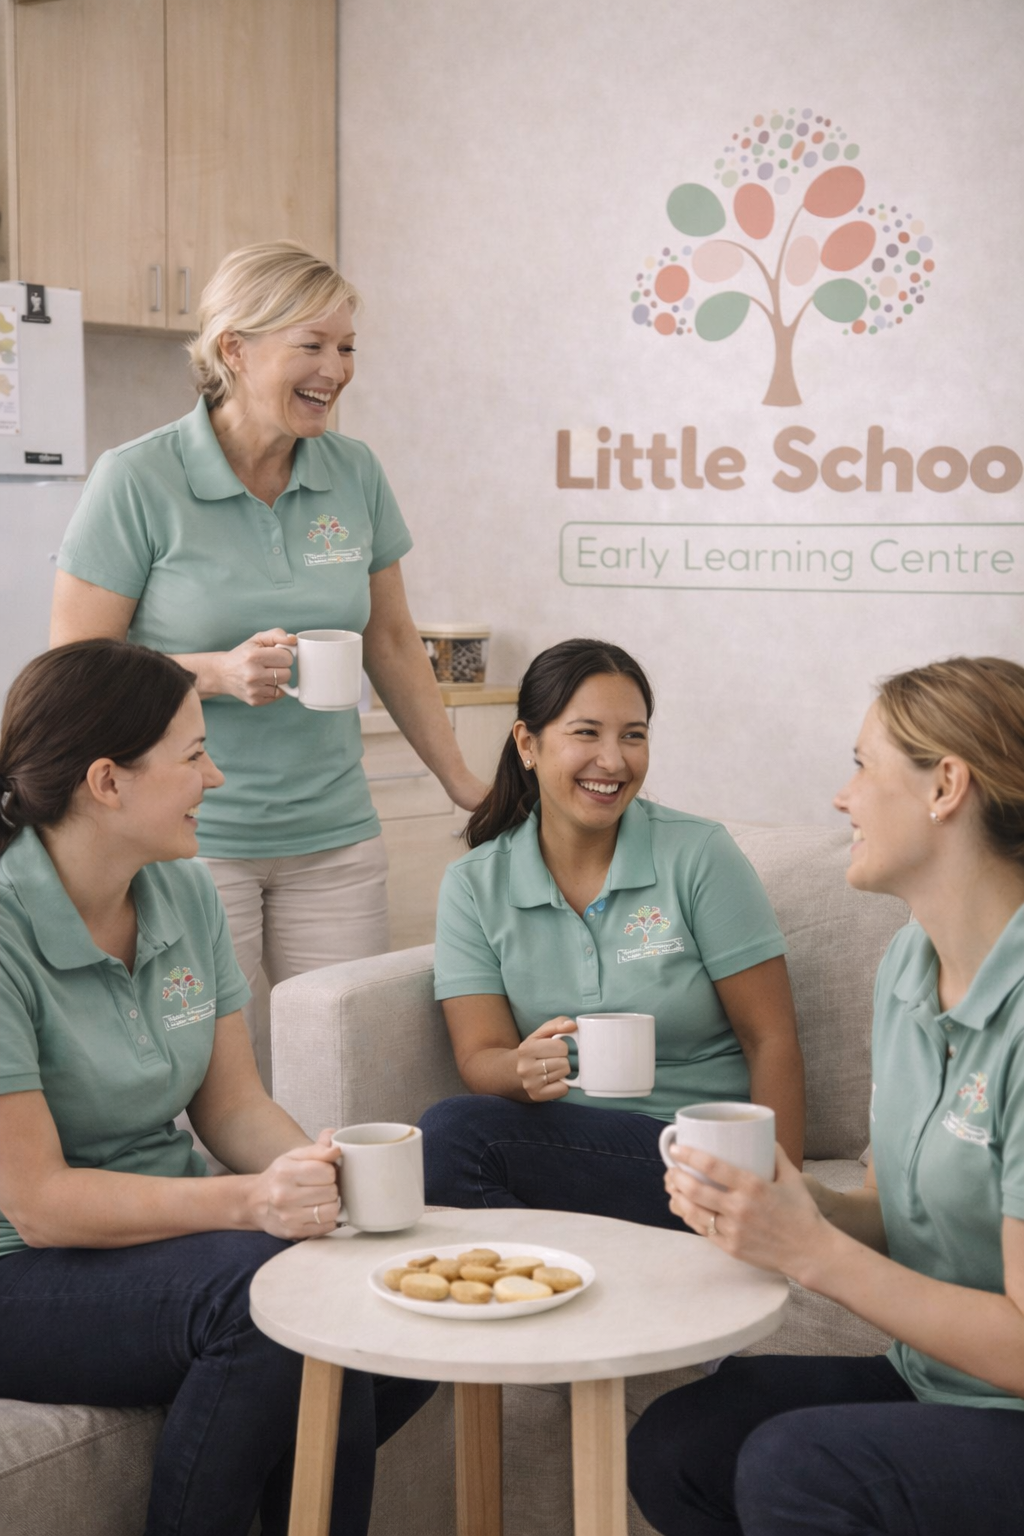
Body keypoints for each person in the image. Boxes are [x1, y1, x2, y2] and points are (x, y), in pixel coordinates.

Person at [0, 641, 432, 1536]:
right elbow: (37, 1204)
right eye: (195, 756)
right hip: (20, 1266)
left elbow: (231, 1104)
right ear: (106, 782)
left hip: (146, 1239)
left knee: (394, 1292)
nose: (219, 777)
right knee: (273, 1301)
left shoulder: (184, 894)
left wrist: (324, 1174)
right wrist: (251, 1205)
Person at [50, 241, 484, 1075]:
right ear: (234, 351)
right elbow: (75, 665)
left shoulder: (353, 471)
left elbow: (391, 640)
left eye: (347, 346)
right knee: (220, 1078)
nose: (337, 369)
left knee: (349, 1068)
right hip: (190, 843)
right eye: (311, 346)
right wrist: (212, 674)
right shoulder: (138, 479)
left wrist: (463, 781)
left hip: (336, 837)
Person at [627, 655, 1024, 1536]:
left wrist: (810, 1253)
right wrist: (801, 1205)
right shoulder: (908, 965)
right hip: (941, 1385)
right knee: (681, 1443)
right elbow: (895, 1203)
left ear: (945, 785)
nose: (843, 799)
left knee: (796, 1468)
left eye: (861, 766)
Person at [419, 638, 804, 1229]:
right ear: (528, 743)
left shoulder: (699, 855)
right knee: (444, 1139)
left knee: (454, 1136)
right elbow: (480, 1055)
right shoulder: (475, 884)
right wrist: (520, 1071)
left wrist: (784, 1201)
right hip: (567, 1147)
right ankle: (566, 1282)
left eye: (633, 735)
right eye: (587, 733)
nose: (614, 761)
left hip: (697, 1153)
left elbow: (770, 1038)